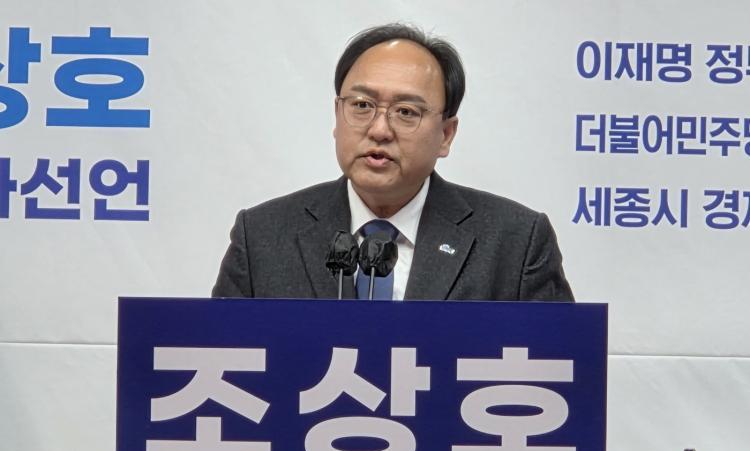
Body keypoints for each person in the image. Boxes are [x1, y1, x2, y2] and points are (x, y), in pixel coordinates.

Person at [212, 24, 573, 301]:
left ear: (446, 134)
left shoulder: (515, 243)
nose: (379, 130)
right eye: (362, 106)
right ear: (337, 116)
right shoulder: (261, 237)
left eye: (406, 112)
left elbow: (555, 368)